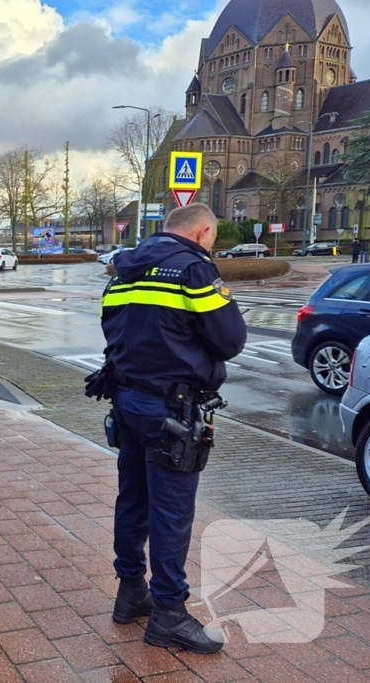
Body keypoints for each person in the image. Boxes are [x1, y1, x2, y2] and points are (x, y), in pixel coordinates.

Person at [99, 204, 246, 654]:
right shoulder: (193, 272)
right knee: (171, 513)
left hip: (126, 401)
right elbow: (231, 339)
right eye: (213, 238)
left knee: (134, 499)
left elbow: (113, 328)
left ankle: (130, 592)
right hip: (172, 408)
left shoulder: (123, 268)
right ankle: (168, 615)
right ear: (202, 232)